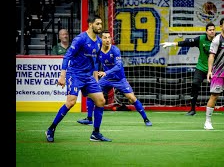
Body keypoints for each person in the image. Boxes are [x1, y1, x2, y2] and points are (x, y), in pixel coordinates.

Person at [45, 14, 112, 142]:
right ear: (90, 24)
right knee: (71, 102)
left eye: (101, 24)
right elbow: (67, 57)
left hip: (88, 77)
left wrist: (95, 79)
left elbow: (96, 61)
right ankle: (51, 129)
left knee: (101, 101)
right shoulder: (80, 39)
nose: (100, 26)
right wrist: (62, 76)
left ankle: (95, 133)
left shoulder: (98, 42)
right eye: (97, 24)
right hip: (75, 74)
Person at [77, 30, 152, 126]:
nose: (108, 40)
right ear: (101, 39)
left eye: (109, 38)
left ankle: (146, 119)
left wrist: (106, 72)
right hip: (106, 79)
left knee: (132, 98)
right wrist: (95, 80)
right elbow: (95, 65)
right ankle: (89, 118)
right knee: (91, 93)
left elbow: (118, 66)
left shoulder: (115, 50)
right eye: (105, 38)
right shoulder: (98, 50)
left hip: (119, 79)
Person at [160, 22, 224, 116]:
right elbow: (186, 42)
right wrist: (172, 43)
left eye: (213, 30)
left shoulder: (219, 39)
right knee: (195, 84)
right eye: (210, 30)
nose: (212, 31)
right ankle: (192, 110)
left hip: (217, 69)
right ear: (206, 32)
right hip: (202, 67)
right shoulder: (201, 39)